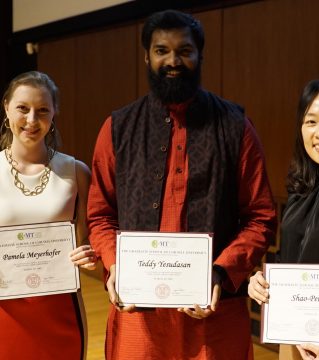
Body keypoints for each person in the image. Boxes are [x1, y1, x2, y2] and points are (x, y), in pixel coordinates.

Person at [87, 9, 277, 360]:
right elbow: (100, 215)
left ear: (200, 55)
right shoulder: (117, 128)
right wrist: (115, 267)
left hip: (213, 313)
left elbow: (261, 216)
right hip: (138, 318)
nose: (173, 61)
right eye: (161, 50)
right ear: (146, 56)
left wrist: (220, 273)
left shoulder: (235, 127)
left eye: (184, 51)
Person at [248, 77, 319, 360]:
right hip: (294, 339)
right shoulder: (301, 189)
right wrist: (262, 282)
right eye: (311, 121)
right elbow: (292, 260)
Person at [0, 71, 97, 359]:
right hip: (5, 312)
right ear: (6, 108)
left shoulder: (76, 172)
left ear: (54, 113)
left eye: (42, 110)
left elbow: (92, 239)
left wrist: (90, 254)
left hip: (60, 310)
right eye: (22, 108)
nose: (32, 120)